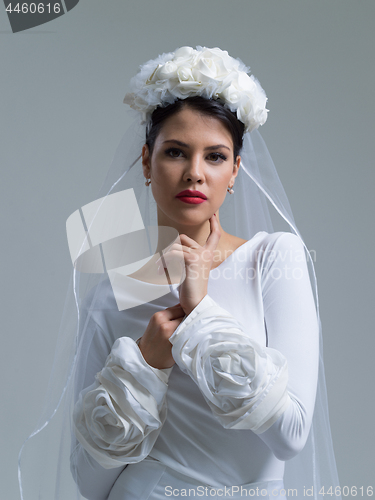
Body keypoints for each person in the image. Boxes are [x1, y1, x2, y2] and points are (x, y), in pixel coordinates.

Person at [18, 46, 341, 500]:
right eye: (175, 152)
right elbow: (90, 484)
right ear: (147, 162)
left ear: (235, 171)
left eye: (215, 156)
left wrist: (200, 311)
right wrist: (146, 365)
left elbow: (291, 435)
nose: (194, 174)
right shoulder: (112, 292)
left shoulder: (272, 259)